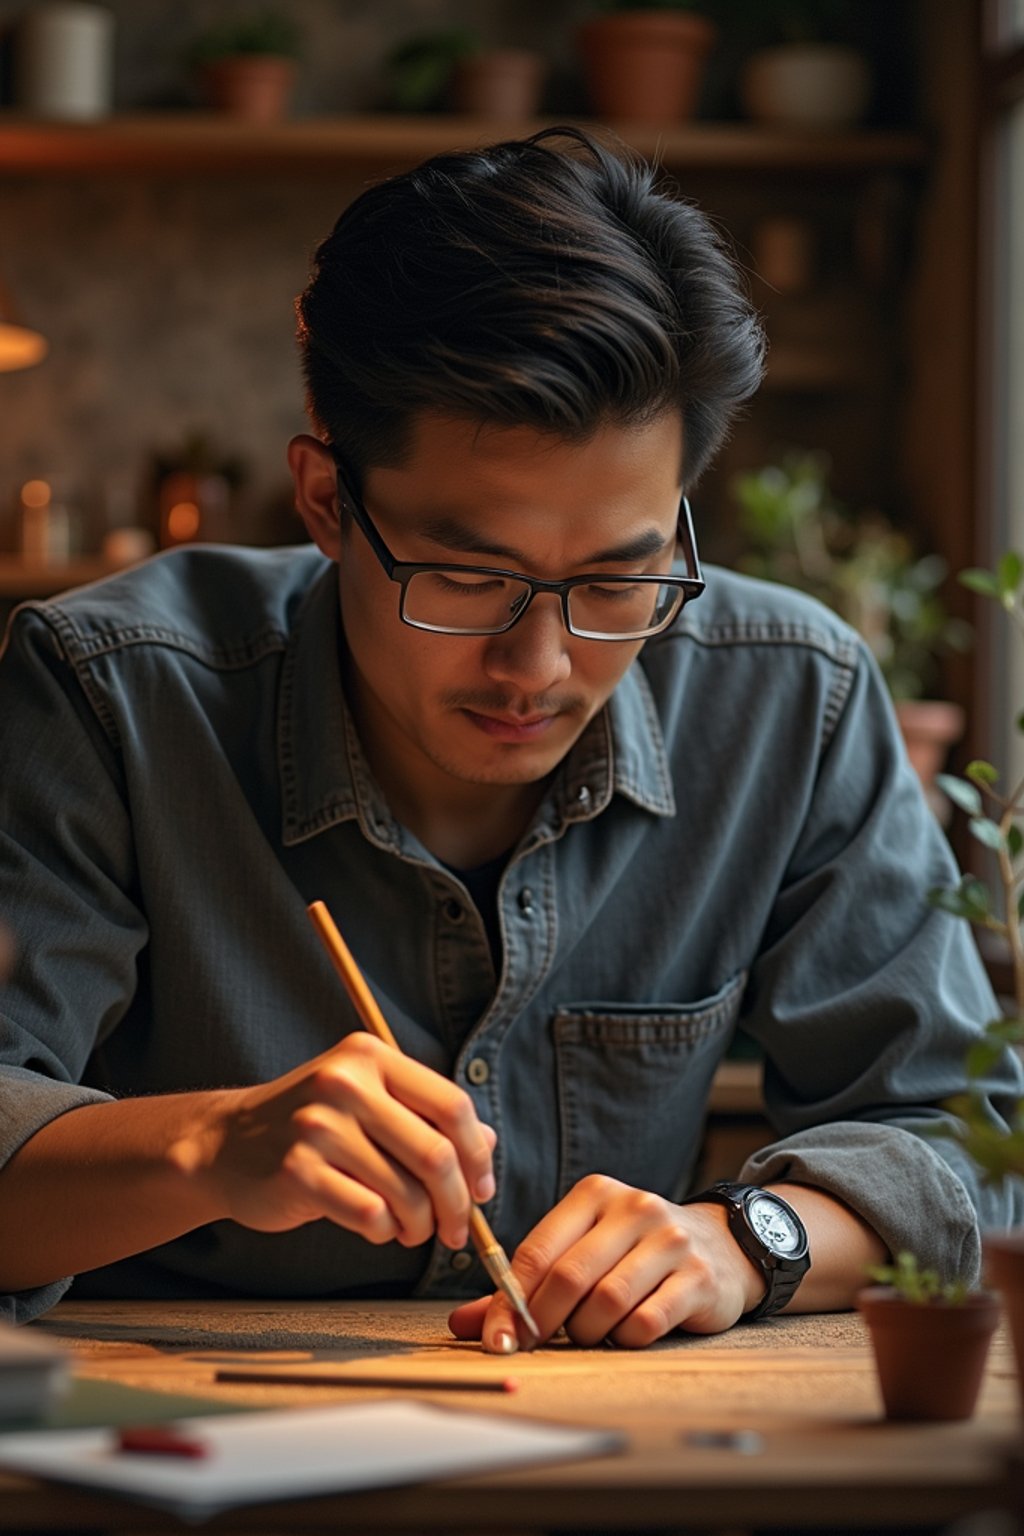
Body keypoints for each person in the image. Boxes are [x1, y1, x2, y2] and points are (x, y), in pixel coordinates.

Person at [0, 129, 1020, 1345]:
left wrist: (751, 1238)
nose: (538, 668)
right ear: (328, 501)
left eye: (615, 580)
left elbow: (966, 1149)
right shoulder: (110, 693)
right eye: (464, 577)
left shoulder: (791, 700)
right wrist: (210, 1148)